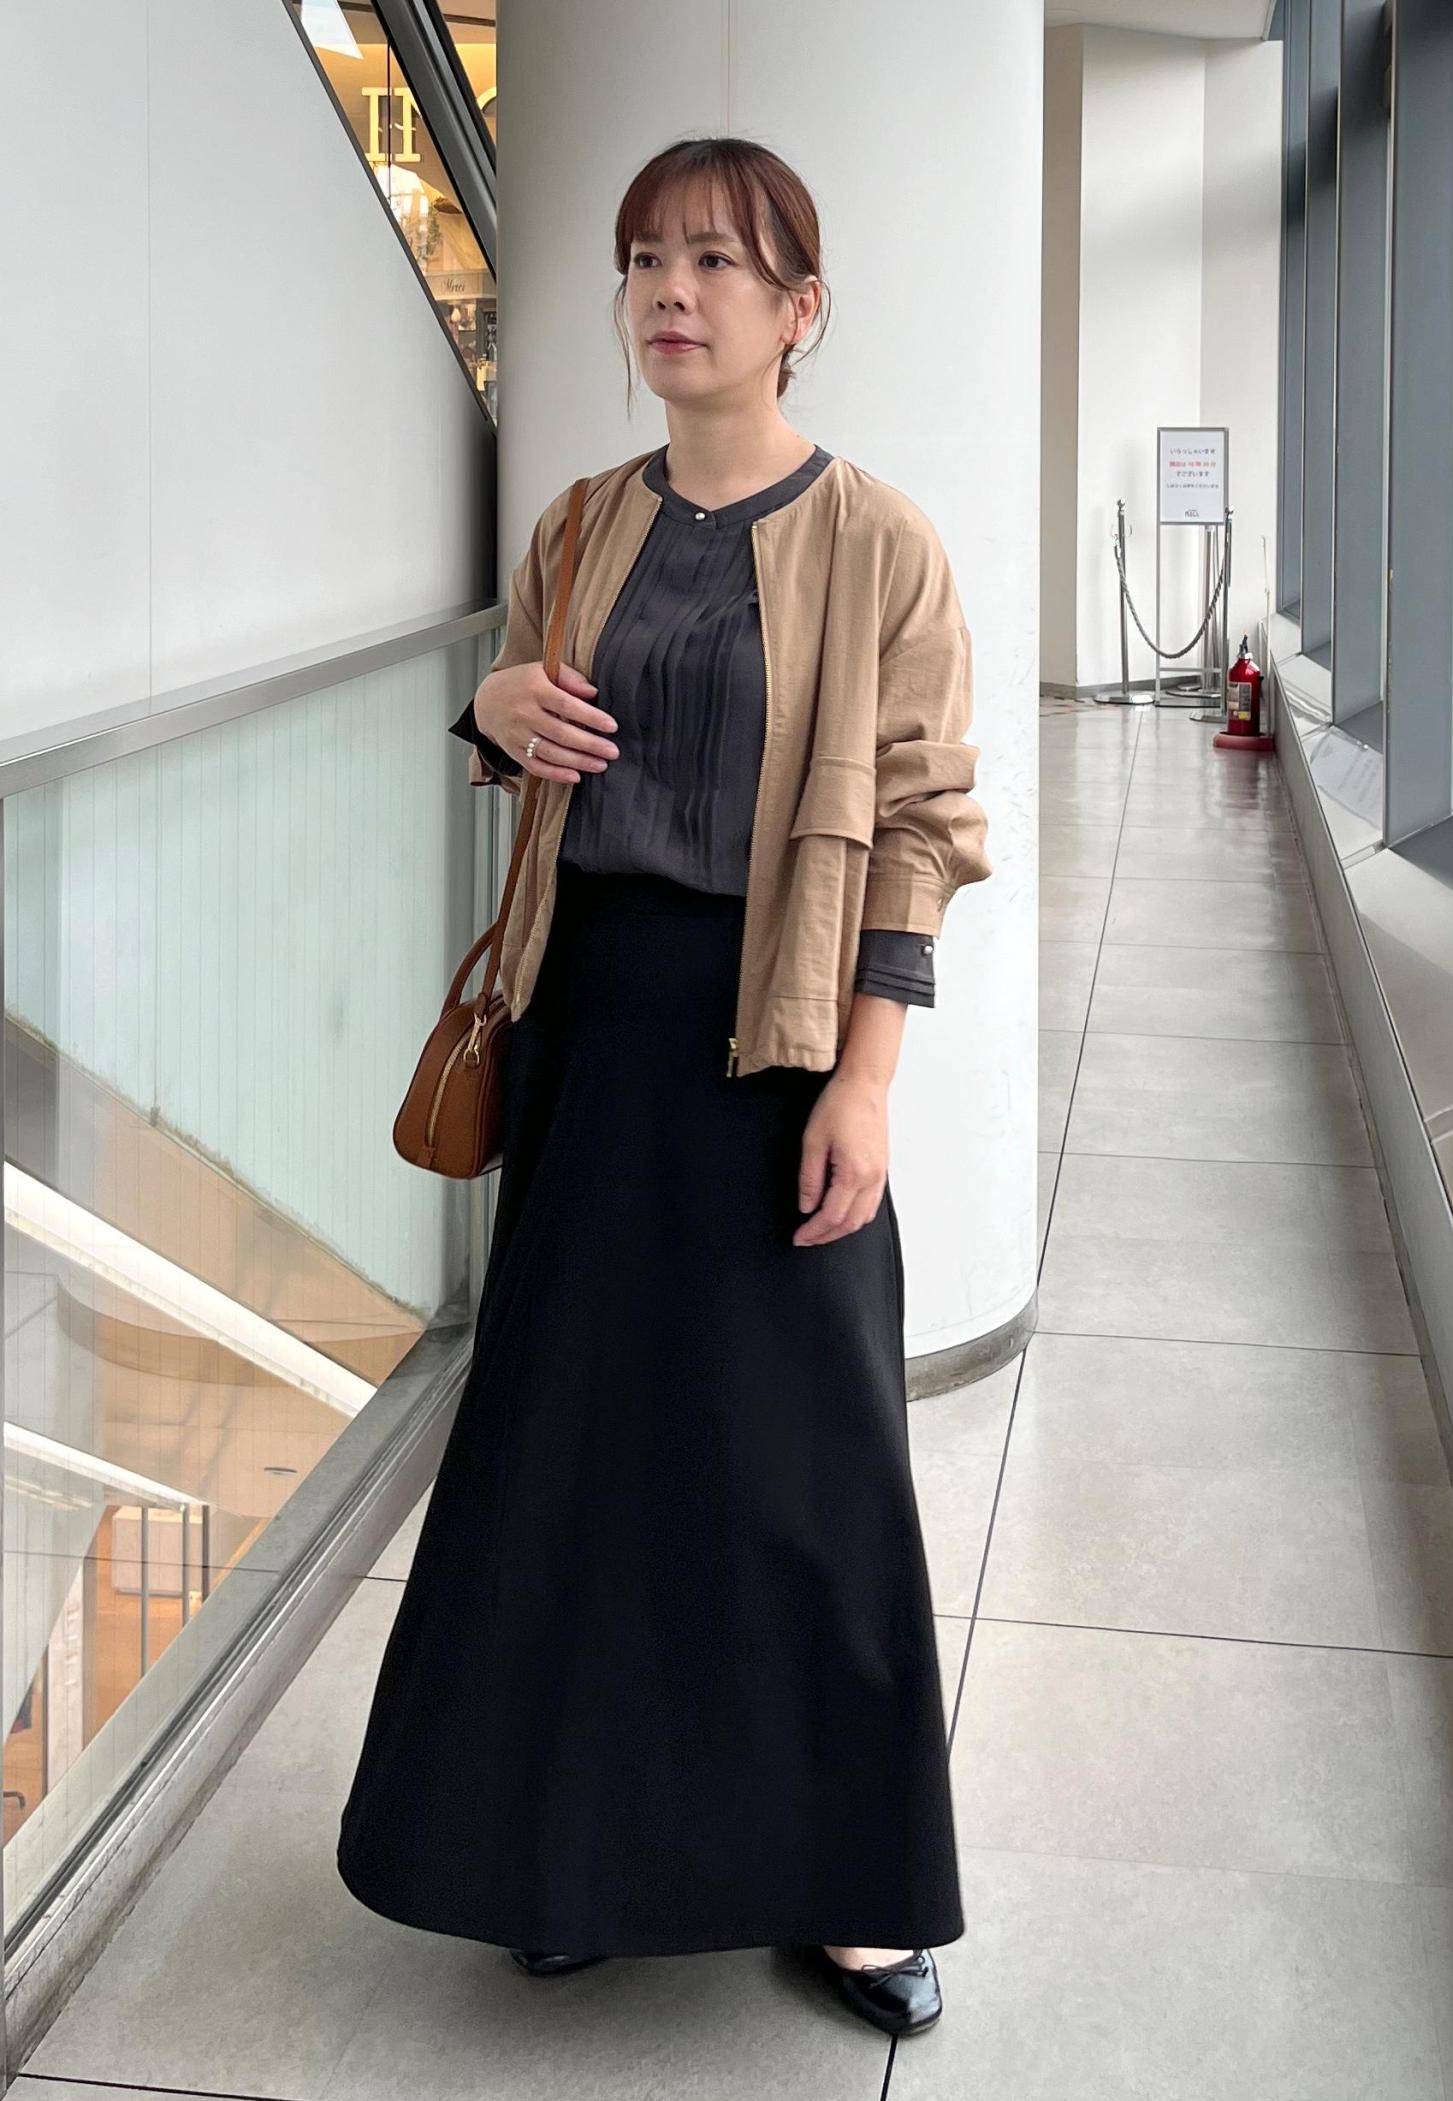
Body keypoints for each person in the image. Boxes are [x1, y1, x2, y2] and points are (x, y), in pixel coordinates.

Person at [337, 133, 991, 2041]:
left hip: (773, 1041)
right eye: (643, 261)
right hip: (589, 1031)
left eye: (716, 261)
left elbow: (924, 831)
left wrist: (867, 1079)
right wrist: (489, 713)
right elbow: (523, 732)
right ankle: (571, 1855)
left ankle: (855, 1886)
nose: (670, 293)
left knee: (811, 1465)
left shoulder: (880, 540)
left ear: (801, 308)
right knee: (580, 1456)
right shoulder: (580, 524)